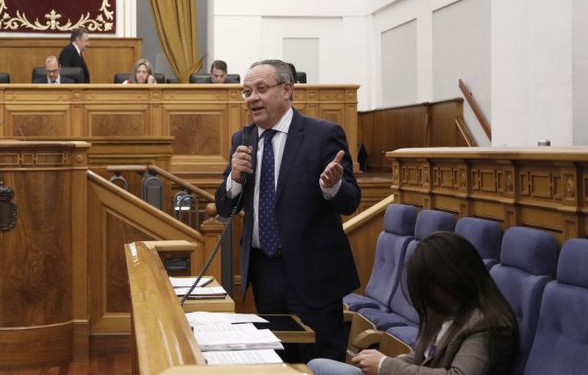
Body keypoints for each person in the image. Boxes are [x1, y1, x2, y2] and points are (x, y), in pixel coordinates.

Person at [214, 59, 361, 362]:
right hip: (265, 272)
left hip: (314, 274)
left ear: (287, 90)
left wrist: (331, 187)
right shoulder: (242, 139)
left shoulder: (323, 135)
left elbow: (350, 201)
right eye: (246, 92)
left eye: (261, 89)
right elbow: (225, 206)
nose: (251, 98)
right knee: (278, 362)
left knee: (320, 363)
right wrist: (235, 178)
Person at [307, 231, 518, 375]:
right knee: (317, 366)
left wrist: (384, 366)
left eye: (431, 288)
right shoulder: (446, 309)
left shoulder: (487, 323)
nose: (429, 298)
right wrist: (398, 362)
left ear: (453, 279)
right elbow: (425, 358)